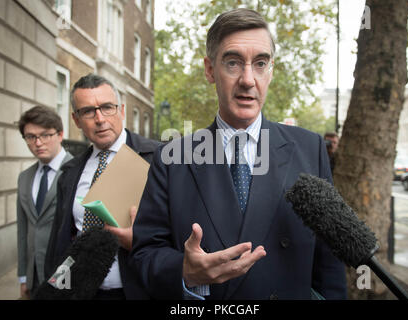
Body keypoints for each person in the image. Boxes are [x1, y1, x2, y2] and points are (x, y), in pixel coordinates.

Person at [130, 8, 347, 299]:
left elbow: (329, 264)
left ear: (271, 71)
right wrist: (183, 270)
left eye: (260, 63)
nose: (247, 79)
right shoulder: (172, 158)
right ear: (209, 70)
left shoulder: (310, 149)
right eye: (233, 63)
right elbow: (144, 254)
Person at [44, 73, 160, 300]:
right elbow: (60, 241)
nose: (99, 118)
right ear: (76, 120)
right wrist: (55, 286)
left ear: (122, 111)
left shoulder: (159, 158)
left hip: (137, 291)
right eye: (88, 111)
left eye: (107, 107)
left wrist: (139, 241)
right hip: (82, 292)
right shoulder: (69, 173)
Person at [16, 106, 73, 299]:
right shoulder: (24, 177)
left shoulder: (78, 172)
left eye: (45, 135)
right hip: (33, 278)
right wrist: (23, 276)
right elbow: (23, 230)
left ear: (60, 134)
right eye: (30, 137)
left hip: (65, 278)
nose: (38, 143)